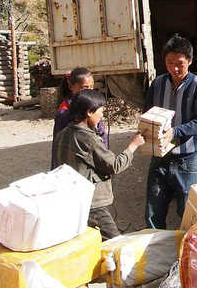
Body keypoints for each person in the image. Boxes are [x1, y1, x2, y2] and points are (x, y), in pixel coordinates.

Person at [52, 89, 145, 239]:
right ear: (89, 112)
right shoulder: (89, 139)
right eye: (101, 111)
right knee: (115, 242)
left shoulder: (63, 134)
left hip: (71, 198)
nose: (102, 116)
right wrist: (133, 145)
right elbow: (115, 165)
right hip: (92, 203)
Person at [144, 34, 197, 230]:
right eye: (169, 63)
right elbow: (148, 113)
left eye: (179, 64)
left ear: (189, 61)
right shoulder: (158, 84)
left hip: (186, 159)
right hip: (159, 157)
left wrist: (175, 132)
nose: (174, 68)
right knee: (153, 212)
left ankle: (188, 248)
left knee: (189, 214)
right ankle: (154, 248)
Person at [51, 67, 109, 169]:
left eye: (92, 87)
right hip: (74, 165)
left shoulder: (94, 107)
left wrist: (104, 156)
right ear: (71, 86)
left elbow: (102, 134)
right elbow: (58, 144)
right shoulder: (64, 113)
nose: (89, 91)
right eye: (85, 87)